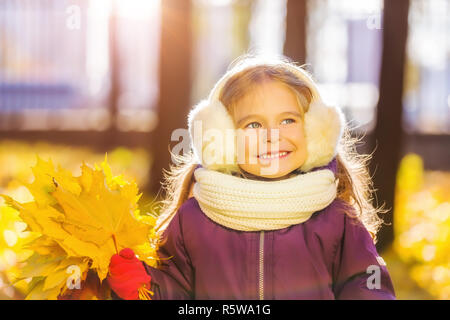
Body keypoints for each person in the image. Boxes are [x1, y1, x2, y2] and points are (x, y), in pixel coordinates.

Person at [107, 54, 396, 300]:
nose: (273, 137)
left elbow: (367, 286)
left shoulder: (337, 219)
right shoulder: (194, 220)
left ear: (315, 130)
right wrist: (143, 285)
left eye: (288, 120)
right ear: (223, 140)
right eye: (253, 124)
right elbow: (177, 292)